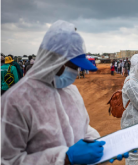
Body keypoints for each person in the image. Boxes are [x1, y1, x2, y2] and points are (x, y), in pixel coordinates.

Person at [0, 20, 128, 165]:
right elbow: (7, 160)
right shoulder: (15, 102)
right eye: (72, 66)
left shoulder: (71, 92)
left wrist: (103, 147)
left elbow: (83, 128)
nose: (75, 72)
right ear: (54, 61)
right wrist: (65, 158)